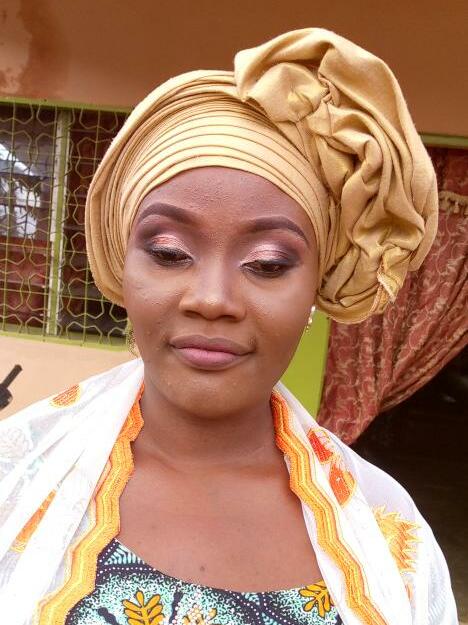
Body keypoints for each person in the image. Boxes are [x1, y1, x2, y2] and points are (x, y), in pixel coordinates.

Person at [0, 27, 458, 625]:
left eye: (268, 264)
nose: (212, 299)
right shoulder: (18, 478)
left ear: (316, 289)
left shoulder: (386, 533)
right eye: (168, 253)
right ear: (121, 266)